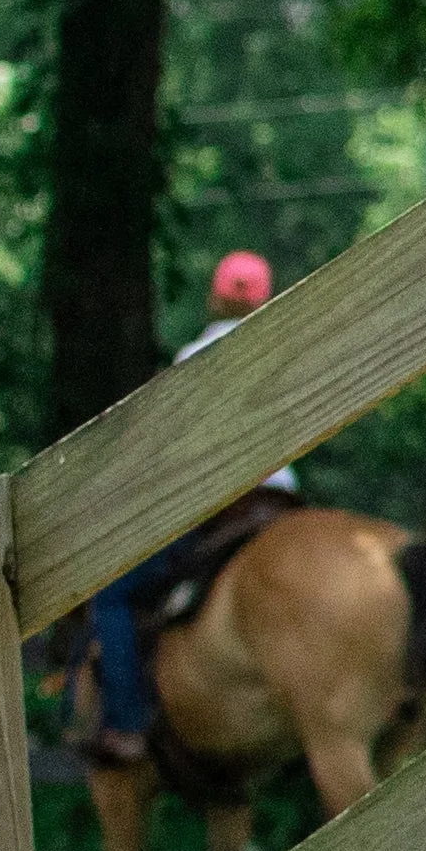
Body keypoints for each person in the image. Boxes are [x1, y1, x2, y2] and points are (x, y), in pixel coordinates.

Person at [80, 248, 286, 769]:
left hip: (221, 508)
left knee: (112, 594)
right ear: (268, 299)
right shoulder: (284, 352)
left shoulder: (193, 357)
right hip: (279, 499)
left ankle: (126, 724)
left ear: (215, 297)